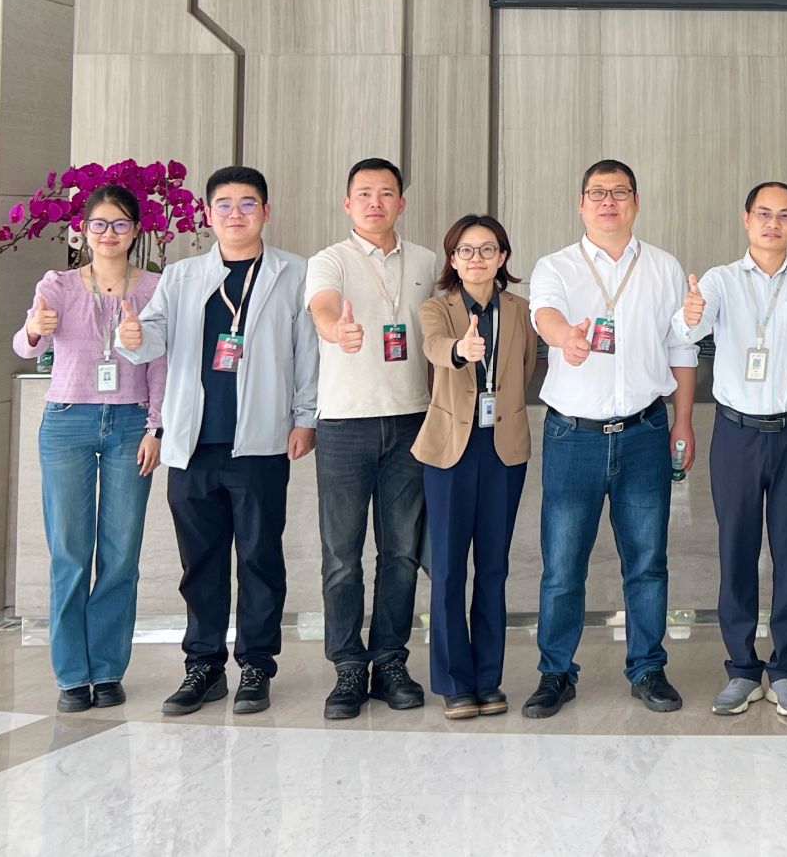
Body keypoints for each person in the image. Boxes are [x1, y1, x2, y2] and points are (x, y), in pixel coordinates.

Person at [117, 166, 318, 716]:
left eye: (248, 203)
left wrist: (306, 417)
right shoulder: (180, 276)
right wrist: (133, 336)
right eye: (224, 204)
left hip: (260, 443)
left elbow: (307, 351)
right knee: (200, 562)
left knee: (260, 558)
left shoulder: (294, 272)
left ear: (266, 212)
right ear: (208, 215)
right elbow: (150, 338)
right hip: (192, 444)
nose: (235, 213)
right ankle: (203, 665)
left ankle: (256, 665)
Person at [523, 159, 698, 718]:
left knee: (647, 561)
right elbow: (544, 314)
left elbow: (681, 347)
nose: (608, 202)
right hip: (572, 436)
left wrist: (683, 421)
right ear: (581, 204)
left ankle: (647, 667)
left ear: (635, 202)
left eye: (619, 192)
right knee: (562, 565)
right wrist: (565, 339)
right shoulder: (555, 266)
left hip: (646, 432)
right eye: (597, 193)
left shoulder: (664, 267)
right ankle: (555, 672)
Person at [682, 181, 787, 718]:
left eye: (785, 215)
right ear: (746, 218)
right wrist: (690, 313)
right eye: (764, 214)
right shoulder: (719, 281)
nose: (773, 223)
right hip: (736, 434)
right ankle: (742, 669)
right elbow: (687, 334)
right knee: (737, 551)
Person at [13, 185, 167, 713]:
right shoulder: (56, 284)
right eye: (99, 224)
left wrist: (156, 428)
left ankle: (107, 669)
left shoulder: (153, 288)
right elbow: (24, 342)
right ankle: (71, 674)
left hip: (130, 424)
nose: (109, 234)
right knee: (70, 552)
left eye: (120, 224)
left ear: (136, 231)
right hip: (67, 421)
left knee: (120, 554)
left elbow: (162, 365)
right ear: (82, 231)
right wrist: (34, 329)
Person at [303, 158, 441, 720]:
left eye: (386, 193)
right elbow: (322, 308)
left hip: (411, 422)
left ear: (401, 203)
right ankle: (346, 665)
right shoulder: (329, 260)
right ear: (347, 203)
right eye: (364, 193)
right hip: (345, 424)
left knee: (401, 552)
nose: (375, 202)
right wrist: (336, 328)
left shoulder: (427, 261)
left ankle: (389, 660)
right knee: (342, 555)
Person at [416, 214, 532, 721]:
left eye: (487, 249)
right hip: (449, 451)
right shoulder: (436, 307)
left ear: (502, 257)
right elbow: (432, 348)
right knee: (447, 569)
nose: (477, 258)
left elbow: (526, 368)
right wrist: (461, 350)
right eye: (466, 250)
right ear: (453, 259)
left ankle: (487, 678)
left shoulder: (520, 310)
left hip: (503, 447)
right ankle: (453, 681)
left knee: (493, 568)